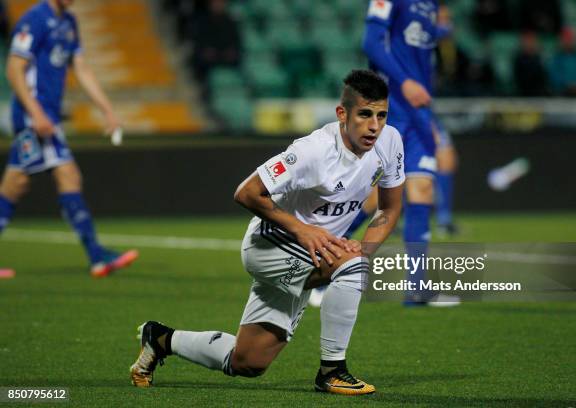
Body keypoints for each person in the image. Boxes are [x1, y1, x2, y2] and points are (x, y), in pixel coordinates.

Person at [130, 70, 405, 395]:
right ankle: (332, 371)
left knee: (248, 362)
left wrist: (364, 248)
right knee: (352, 267)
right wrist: (304, 231)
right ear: (342, 114)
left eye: (381, 115)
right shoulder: (312, 150)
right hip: (271, 245)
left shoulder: (389, 142)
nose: (374, 125)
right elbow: (247, 192)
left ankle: (160, 339)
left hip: (312, 252)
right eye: (365, 114)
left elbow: (389, 208)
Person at [0, 0, 138, 277]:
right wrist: (36, 114)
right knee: (60, 177)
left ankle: (98, 257)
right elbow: (14, 69)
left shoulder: (69, 22)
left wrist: (107, 111)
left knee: (20, 183)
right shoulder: (35, 18)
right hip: (33, 119)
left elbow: (82, 68)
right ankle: (97, 256)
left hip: (47, 118)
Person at [362, 0, 458, 306]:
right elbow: (371, 44)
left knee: (422, 188)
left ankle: (416, 288)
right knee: (370, 199)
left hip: (418, 112)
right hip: (390, 108)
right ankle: (320, 274)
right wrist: (405, 83)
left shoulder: (431, 6)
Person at [513, 31, 549, 96]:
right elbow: (520, 79)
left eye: (532, 41)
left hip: (540, 94)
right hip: (523, 93)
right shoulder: (518, 59)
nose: (530, 44)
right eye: (527, 41)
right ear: (522, 44)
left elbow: (543, 78)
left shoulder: (540, 58)